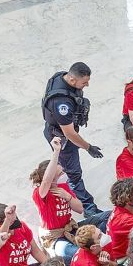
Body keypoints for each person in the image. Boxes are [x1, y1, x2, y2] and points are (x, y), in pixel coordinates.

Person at [42, 63, 101, 216]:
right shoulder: (61, 102)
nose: (87, 85)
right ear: (73, 80)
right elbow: (69, 133)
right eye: (84, 82)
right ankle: (89, 210)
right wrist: (88, 147)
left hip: (60, 131)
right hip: (62, 139)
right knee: (74, 174)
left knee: (67, 168)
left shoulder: (61, 76)